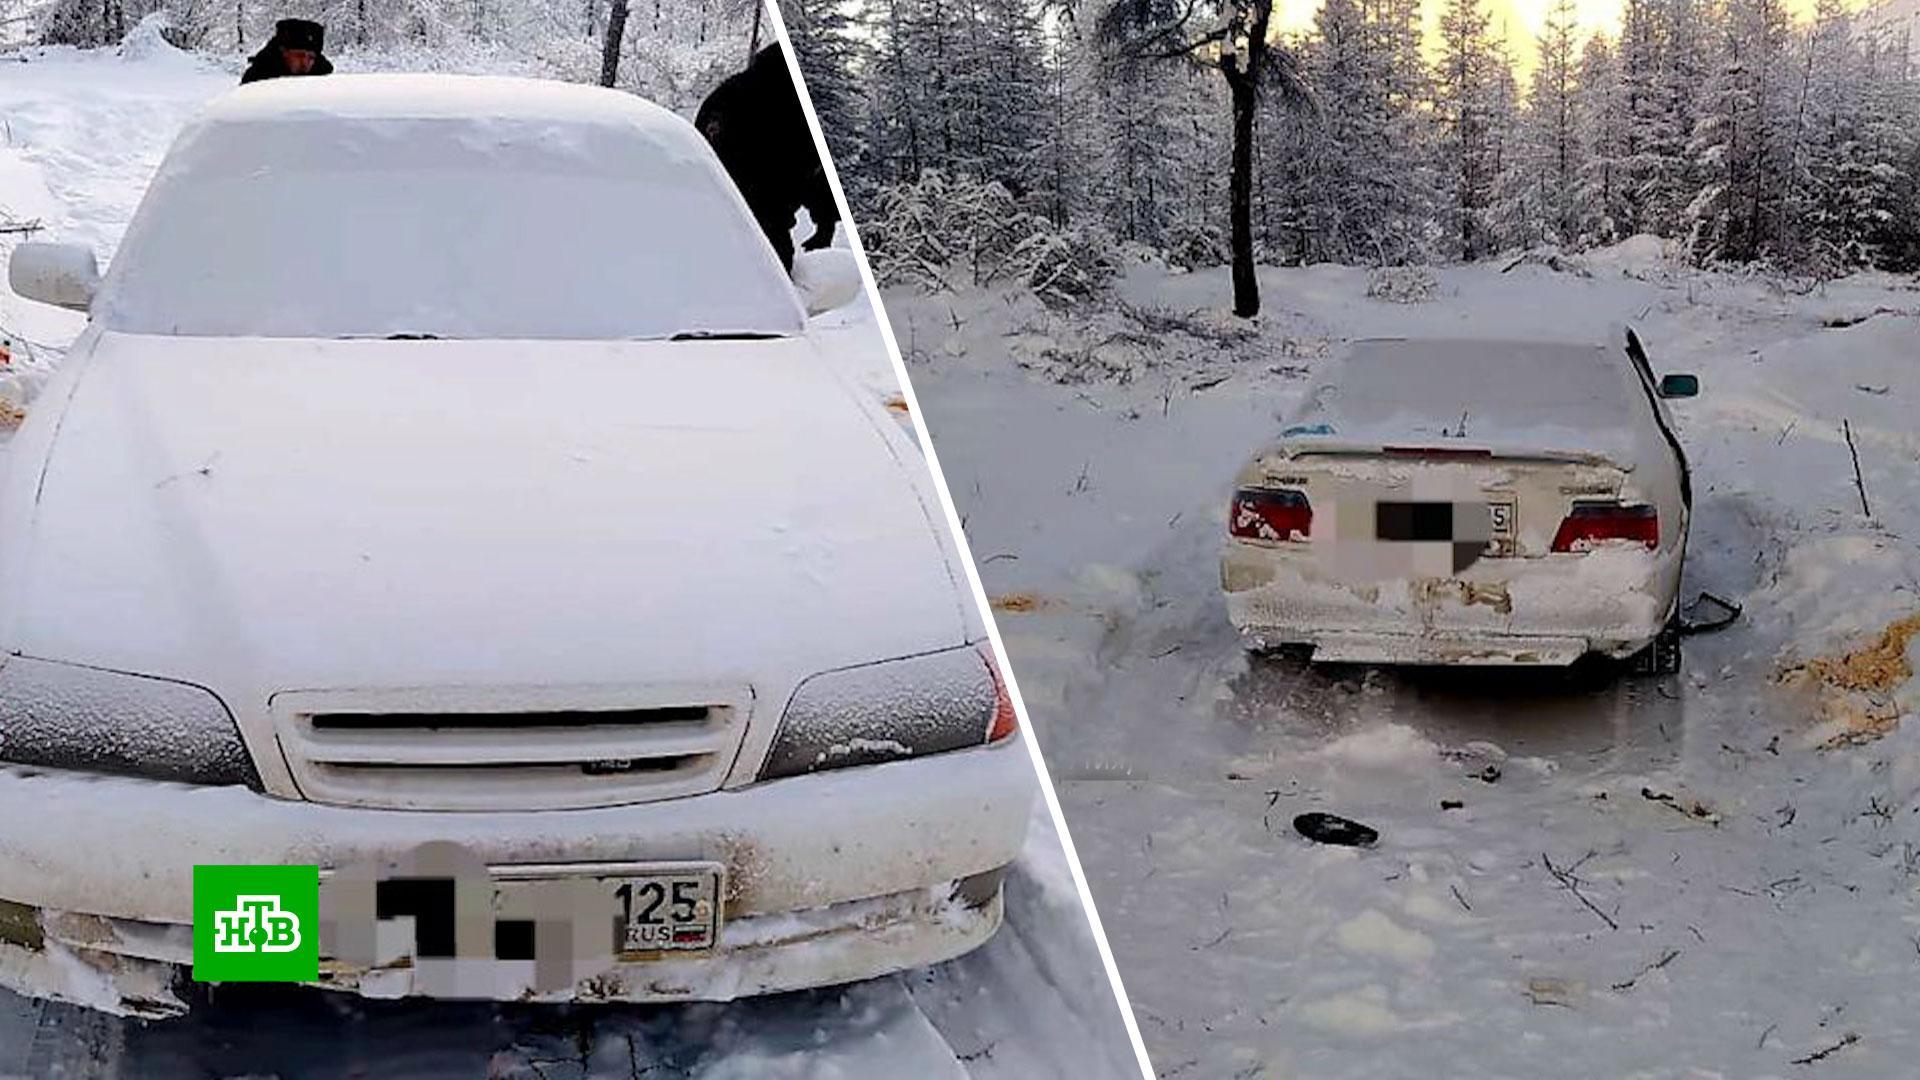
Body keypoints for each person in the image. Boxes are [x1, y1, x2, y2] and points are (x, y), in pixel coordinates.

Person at [694, 45, 839, 273]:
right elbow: (814, 169)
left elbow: (693, 158)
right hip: (769, 233)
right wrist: (825, 223)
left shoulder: (721, 98)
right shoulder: (794, 106)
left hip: (712, 226)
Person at [240, 19, 334, 85]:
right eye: (299, 55)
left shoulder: (323, 80)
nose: (305, 63)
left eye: (311, 58)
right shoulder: (257, 79)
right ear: (283, 52)